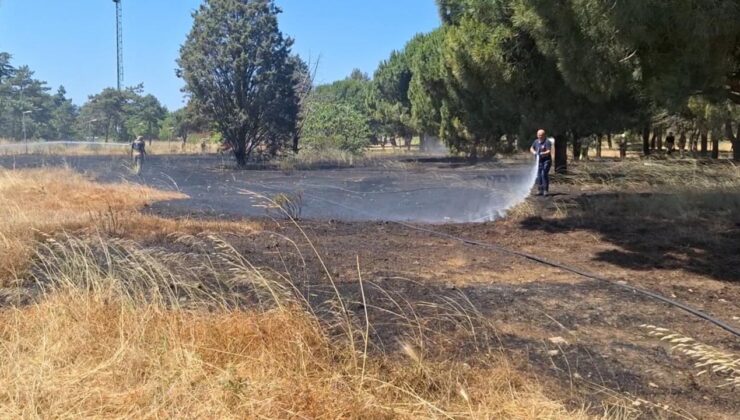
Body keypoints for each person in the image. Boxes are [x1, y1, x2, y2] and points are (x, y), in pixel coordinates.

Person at [530, 129, 553, 196]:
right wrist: (534, 152)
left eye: (541, 135)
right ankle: (540, 190)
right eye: (538, 135)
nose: (539, 136)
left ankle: (545, 190)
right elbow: (531, 148)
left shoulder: (547, 142)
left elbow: (548, 151)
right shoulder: (536, 141)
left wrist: (543, 153)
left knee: (544, 174)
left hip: (546, 161)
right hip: (539, 161)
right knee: (539, 175)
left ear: (544, 135)